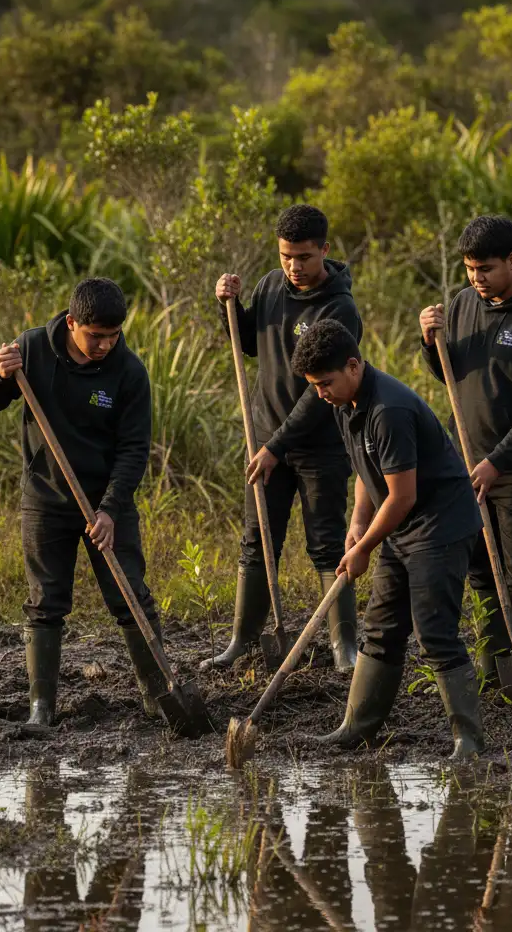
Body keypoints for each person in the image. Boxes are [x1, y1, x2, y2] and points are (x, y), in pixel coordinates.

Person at [291, 318, 484, 761]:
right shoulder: (345, 403)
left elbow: (402, 496)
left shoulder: (388, 410)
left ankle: (468, 740)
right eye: (314, 386)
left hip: (440, 526)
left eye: (325, 382)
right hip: (401, 526)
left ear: (354, 366)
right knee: (379, 629)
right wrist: (358, 523)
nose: (320, 393)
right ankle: (356, 728)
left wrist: (363, 549)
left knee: (434, 631)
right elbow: (368, 472)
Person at [0, 277, 165, 726]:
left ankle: (158, 697)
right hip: (46, 497)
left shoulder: (130, 373)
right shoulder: (33, 350)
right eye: (95, 335)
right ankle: (41, 710)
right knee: (45, 602)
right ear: (72, 321)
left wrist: (111, 509)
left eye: (113, 336)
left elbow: (134, 449)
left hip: (106, 501)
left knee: (130, 595)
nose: (104, 345)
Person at [207, 204, 363, 672]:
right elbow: (249, 343)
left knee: (327, 543)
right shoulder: (272, 285)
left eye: (303, 257)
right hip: (266, 439)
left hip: (320, 445)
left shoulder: (340, 309)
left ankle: (344, 648)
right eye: (285, 256)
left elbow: (321, 394)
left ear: (325, 251)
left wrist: (278, 445)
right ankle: (242, 640)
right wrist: (228, 306)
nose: (293, 267)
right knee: (258, 540)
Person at [419, 215, 512, 696]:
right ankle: (496, 665)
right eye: (468, 269)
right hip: (466, 460)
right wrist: (429, 342)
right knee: (481, 564)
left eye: (484, 268)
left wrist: (497, 461)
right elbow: (451, 376)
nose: (476, 278)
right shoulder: (463, 305)